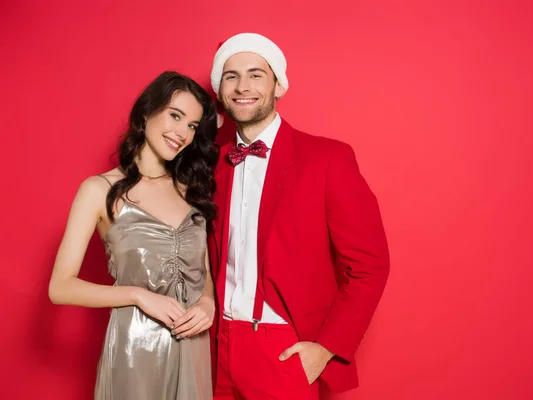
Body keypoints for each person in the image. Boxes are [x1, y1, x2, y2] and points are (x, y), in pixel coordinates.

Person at [207, 33, 390, 399]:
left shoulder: (327, 159)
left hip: (283, 350)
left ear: (278, 85)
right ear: (220, 89)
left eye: (256, 74)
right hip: (214, 348)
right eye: (231, 75)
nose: (243, 86)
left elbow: (370, 265)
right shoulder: (210, 164)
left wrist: (324, 349)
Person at [48, 71, 218, 399]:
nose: (182, 133)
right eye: (175, 115)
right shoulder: (99, 190)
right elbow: (60, 287)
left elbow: (203, 272)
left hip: (194, 347)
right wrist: (139, 296)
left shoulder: (191, 190)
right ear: (146, 112)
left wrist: (208, 302)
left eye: (192, 126)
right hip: (135, 349)